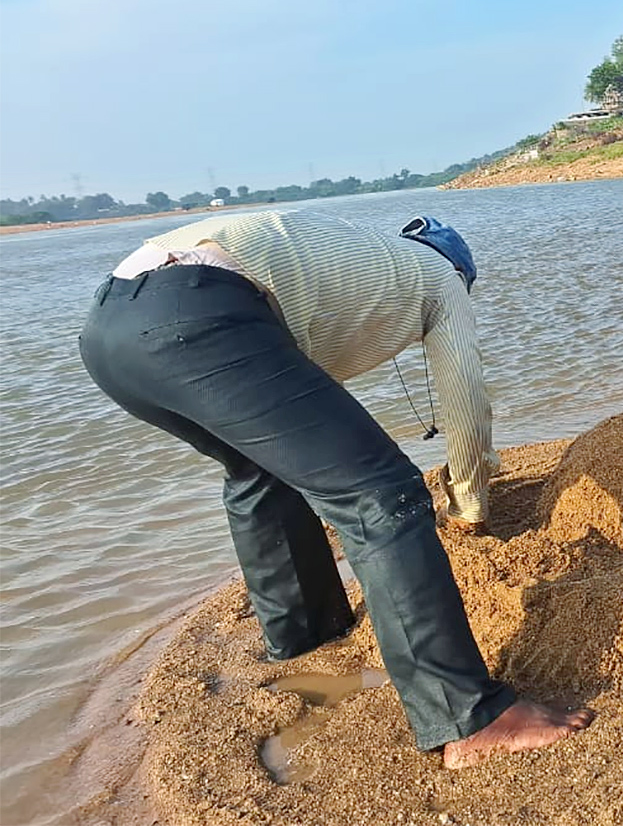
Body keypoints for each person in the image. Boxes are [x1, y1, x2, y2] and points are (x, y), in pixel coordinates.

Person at [78, 209, 593, 769]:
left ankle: (304, 636)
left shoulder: (364, 254)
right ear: (461, 269)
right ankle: (469, 717)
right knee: (380, 494)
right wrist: (470, 507)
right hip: (201, 314)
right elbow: (466, 407)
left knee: (258, 470)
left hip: (110, 327)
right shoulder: (441, 279)